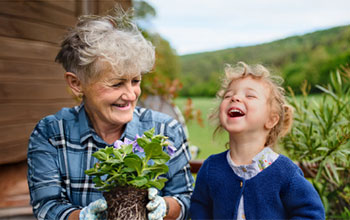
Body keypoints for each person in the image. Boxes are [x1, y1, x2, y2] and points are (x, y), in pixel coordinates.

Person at [27, 9, 194, 220]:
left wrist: (165, 207)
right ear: (76, 83)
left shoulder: (165, 130)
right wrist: (83, 217)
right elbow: (46, 207)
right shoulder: (51, 133)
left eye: (135, 81)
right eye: (116, 84)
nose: (131, 95)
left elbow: (186, 199)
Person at [190, 62, 325, 219]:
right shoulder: (210, 168)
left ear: (271, 120)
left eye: (250, 95)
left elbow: (311, 213)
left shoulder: (285, 172)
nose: (235, 97)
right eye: (228, 96)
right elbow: (199, 207)